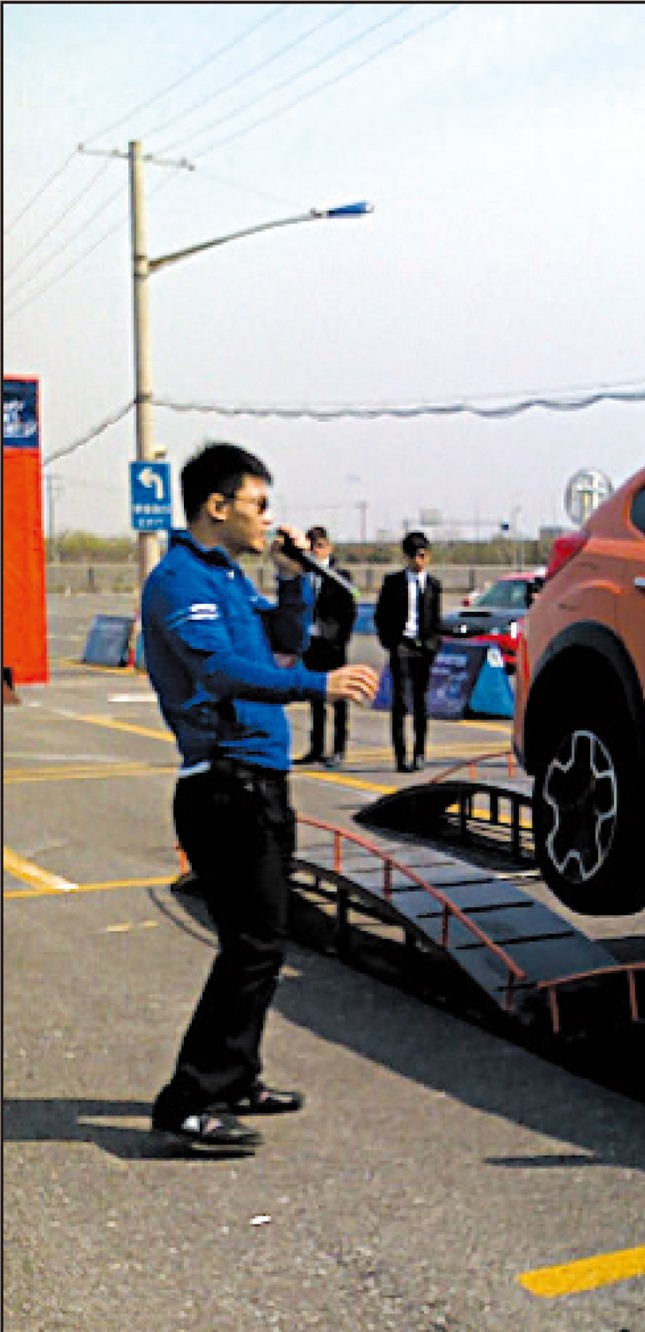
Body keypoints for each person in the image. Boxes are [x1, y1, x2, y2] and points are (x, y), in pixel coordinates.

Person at [141, 442, 380, 1154]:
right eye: (259, 505)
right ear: (218, 507)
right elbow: (219, 672)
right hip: (223, 785)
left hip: (260, 782)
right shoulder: (180, 580)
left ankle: (236, 1076)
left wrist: (293, 581)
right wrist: (320, 687)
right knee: (250, 944)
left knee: (265, 941)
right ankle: (189, 1099)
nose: (268, 519)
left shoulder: (228, 577)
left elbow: (283, 641)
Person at [374, 530, 442, 772]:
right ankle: (400, 755)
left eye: (422, 555)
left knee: (421, 702)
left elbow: (436, 619)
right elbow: (381, 615)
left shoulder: (433, 585)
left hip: (424, 647)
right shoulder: (393, 583)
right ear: (405, 557)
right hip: (401, 645)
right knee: (400, 701)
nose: (418, 561)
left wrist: (433, 644)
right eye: (413, 556)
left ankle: (419, 752)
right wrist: (390, 642)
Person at [295, 525, 358, 768]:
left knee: (339, 698)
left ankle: (339, 748)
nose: (316, 550)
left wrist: (340, 639)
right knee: (315, 698)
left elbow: (349, 610)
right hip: (311, 643)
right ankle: (316, 747)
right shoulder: (303, 574)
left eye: (320, 546)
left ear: (328, 547)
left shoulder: (340, 575)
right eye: (312, 546)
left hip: (333, 645)